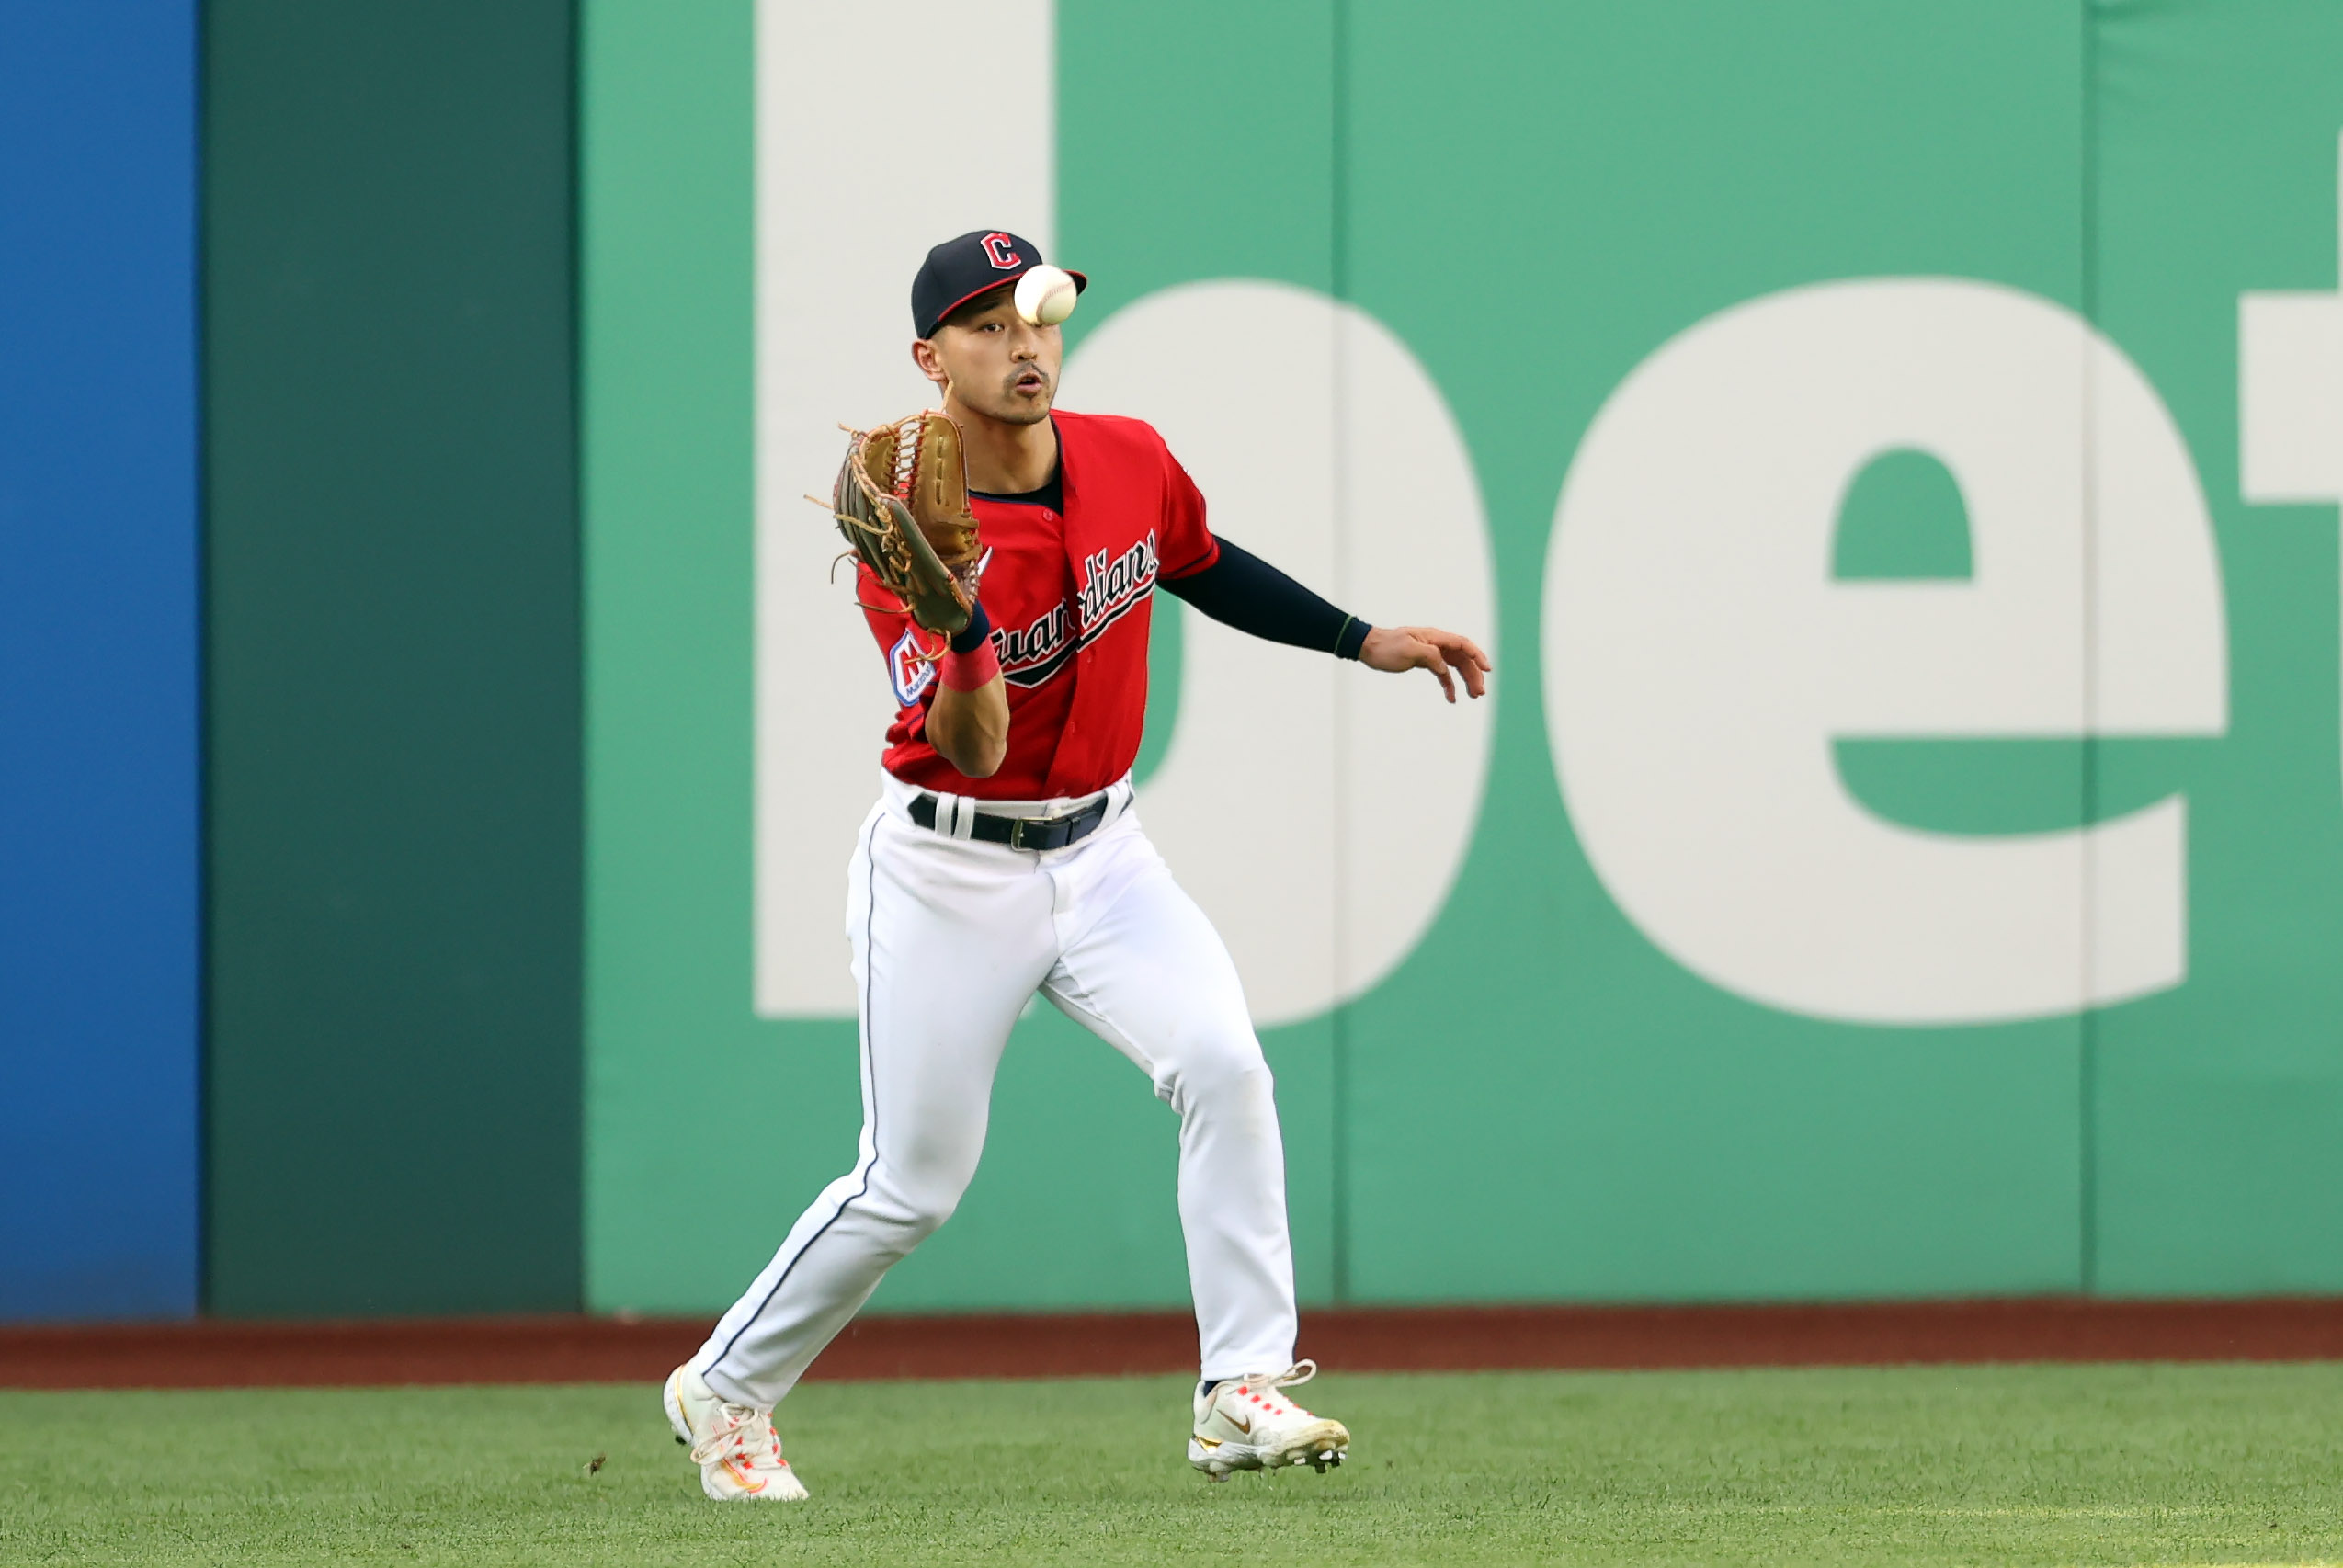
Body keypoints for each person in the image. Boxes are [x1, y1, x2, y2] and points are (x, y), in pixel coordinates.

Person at [663, 230, 1491, 1501]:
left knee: (1222, 1062)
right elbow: (974, 738)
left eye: (1034, 315)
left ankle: (1238, 1387)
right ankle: (726, 1383)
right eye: (985, 325)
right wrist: (960, 624)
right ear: (930, 359)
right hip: (946, 871)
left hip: (1106, 853)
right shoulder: (907, 525)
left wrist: (1360, 637)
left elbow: (1200, 563)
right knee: (911, 1184)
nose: (1022, 345)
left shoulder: (1127, 454)